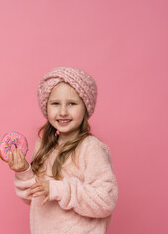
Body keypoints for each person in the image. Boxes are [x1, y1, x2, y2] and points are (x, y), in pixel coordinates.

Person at [7, 67, 118, 234]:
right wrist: (24, 171)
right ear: (46, 107)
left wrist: (58, 189)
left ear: (85, 108)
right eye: (56, 103)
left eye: (72, 103)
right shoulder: (44, 146)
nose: (63, 112)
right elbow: (35, 197)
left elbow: (105, 200)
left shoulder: (91, 148)